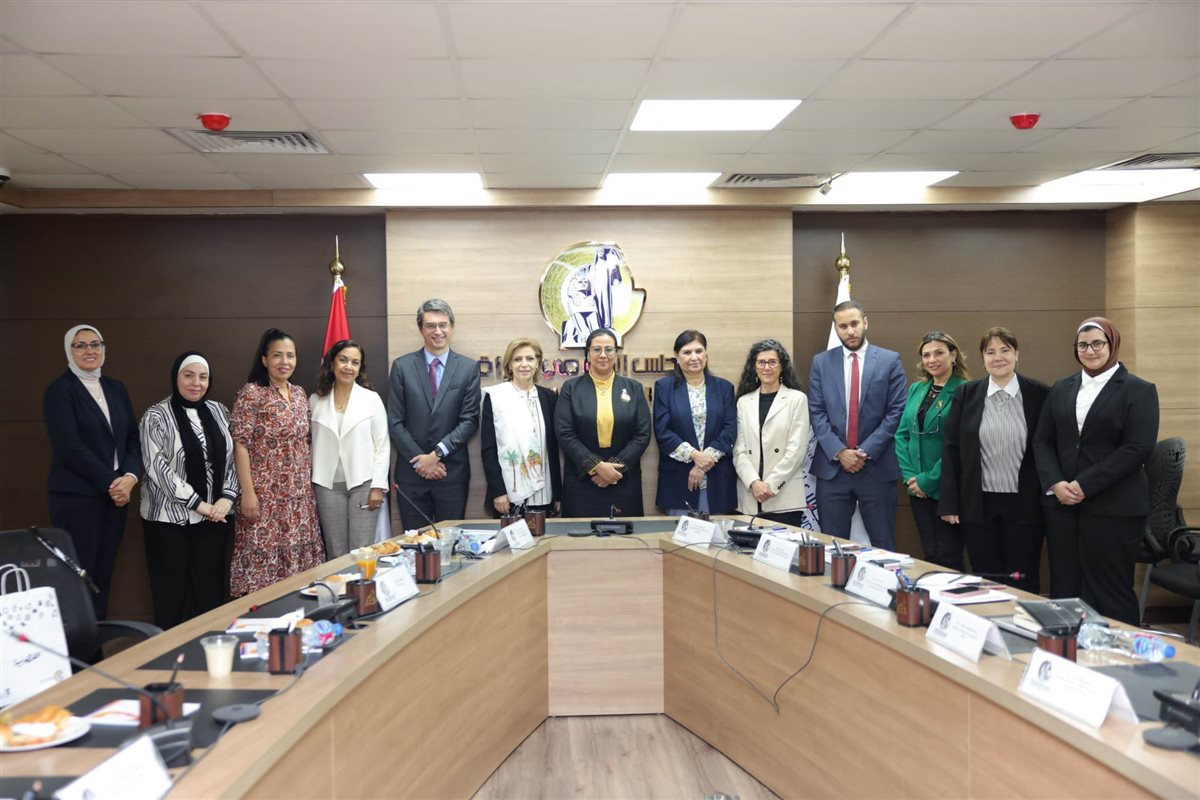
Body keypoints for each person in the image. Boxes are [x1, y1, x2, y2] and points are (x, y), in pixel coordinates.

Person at [1033, 317, 1158, 624]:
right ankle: (1068, 650)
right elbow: (1042, 440)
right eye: (1083, 345)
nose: (1090, 351)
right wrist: (1056, 482)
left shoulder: (1139, 390)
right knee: (1065, 587)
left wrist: (1084, 485)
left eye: (1097, 343)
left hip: (1114, 508)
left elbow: (1137, 448)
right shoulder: (1062, 387)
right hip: (1063, 506)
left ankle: (1120, 652)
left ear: (1112, 344)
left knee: (1109, 589)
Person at [43, 325, 141, 619]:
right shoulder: (60, 390)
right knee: (79, 576)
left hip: (114, 498)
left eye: (95, 344)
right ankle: (79, 644)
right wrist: (114, 482)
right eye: (80, 345)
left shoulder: (116, 388)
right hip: (77, 499)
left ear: (103, 349)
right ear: (69, 351)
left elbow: (132, 440)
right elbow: (69, 447)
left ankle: (97, 641)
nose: (89, 350)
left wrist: (130, 478)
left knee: (103, 575)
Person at [940, 327, 1049, 593]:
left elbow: (1049, 447)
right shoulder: (966, 394)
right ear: (983, 358)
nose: (998, 357)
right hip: (978, 505)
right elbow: (952, 449)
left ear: (1016, 354)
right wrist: (949, 502)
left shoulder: (1040, 394)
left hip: (1025, 505)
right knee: (985, 578)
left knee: (1022, 579)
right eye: (990, 352)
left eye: (1004, 350)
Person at [139, 352, 239, 629]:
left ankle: (209, 645)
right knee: (170, 592)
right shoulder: (155, 416)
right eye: (189, 375)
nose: (196, 383)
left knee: (209, 589)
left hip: (215, 517)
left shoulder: (220, 412)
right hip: (168, 519)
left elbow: (236, 458)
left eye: (203, 377)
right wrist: (199, 504)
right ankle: (169, 649)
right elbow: (157, 468)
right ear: (176, 377)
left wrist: (227, 498)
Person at [229, 328, 324, 597]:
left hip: (298, 499)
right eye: (277, 355)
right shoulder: (252, 393)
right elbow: (240, 444)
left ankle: (298, 616)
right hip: (264, 497)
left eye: (290, 356)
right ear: (264, 360)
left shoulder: (300, 394)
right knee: (262, 571)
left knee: (299, 572)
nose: (285, 362)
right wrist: (248, 493)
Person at [808, 301, 907, 549]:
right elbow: (817, 412)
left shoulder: (889, 360)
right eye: (843, 326)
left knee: (884, 546)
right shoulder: (821, 362)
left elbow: (896, 411)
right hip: (833, 470)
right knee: (833, 547)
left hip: (876, 468)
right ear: (836, 329)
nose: (850, 331)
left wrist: (864, 452)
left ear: (865, 322)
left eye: (854, 324)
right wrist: (840, 452)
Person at [387, 299, 480, 531]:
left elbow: (469, 420)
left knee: (450, 541)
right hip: (412, 474)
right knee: (414, 543)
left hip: (451, 473)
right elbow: (395, 422)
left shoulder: (468, 368)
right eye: (430, 325)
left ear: (452, 327)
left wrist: (437, 454)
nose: (437, 331)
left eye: (443, 325)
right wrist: (422, 462)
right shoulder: (402, 367)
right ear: (421, 329)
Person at [555, 328, 651, 517]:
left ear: (616, 353)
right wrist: (596, 466)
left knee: (625, 533)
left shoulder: (634, 388)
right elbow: (564, 433)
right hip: (582, 479)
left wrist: (613, 468)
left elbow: (642, 434)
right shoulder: (571, 388)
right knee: (579, 534)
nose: (603, 355)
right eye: (596, 349)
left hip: (622, 478)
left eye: (609, 349)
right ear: (587, 354)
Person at [894, 331, 969, 570]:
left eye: (939, 353)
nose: (932, 360)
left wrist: (928, 480)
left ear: (953, 355)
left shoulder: (966, 390)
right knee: (931, 553)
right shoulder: (917, 389)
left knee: (949, 555)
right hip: (917, 488)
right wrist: (911, 478)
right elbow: (902, 435)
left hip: (946, 487)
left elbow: (961, 445)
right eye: (926, 355)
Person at [310, 339, 390, 559]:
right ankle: (339, 584)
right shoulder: (315, 400)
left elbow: (382, 446)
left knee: (362, 550)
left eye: (355, 362)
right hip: (327, 486)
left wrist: (378, 486)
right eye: (343, 360)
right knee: (335, 551)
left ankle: (361, 584)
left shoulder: (371, 399)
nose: (348, 367)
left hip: (363, 484)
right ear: (332, 363)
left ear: (360, 368)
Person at [654, 331, 737, 516]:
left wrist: (702, 465)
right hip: (679, 479)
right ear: (677, 357)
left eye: (699, 351)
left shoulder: (724, 388)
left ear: (706, 354)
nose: (694, 357)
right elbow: (663, 431)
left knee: (718, 534)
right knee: (680, 533)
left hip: (716, 478)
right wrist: (695, 455)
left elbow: (730, 430)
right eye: (687, 352)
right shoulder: (664, 387)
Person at [732, 340, 811, 527]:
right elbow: (738, 449)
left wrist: (770, 485)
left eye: (772, 362)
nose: (767, 367)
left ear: (782, 366)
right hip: (750, 497)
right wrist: (754, 483)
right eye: (761, 362)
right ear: (754, 367)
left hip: (783, 496)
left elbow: (796, 450)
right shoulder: (743, 402)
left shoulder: (797, 399)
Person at [481, 338, 562, 517]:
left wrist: (557, 493)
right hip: (508, 495)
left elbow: (552, 449)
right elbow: (489, 449)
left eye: (530, 359)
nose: (524, 364)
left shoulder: (548, 397)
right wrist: (498, 491)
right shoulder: (496, 397)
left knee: (543, 535)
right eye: (517, 359)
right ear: (509, 365)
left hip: (544, 492)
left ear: (537, 363)